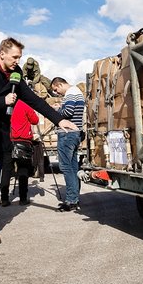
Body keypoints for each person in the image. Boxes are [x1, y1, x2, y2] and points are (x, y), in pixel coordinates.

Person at [0, 37, 78, 245]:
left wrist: (59, 119)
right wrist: (1, 101)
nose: (17, 61)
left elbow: (34, 100)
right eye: (14, 57)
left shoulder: (15, 76)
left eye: (19, 58)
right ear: (2, 53)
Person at [50, 77, 86, 212]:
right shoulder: (77, 91)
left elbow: (68, 112)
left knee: (66, 167)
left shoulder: (70, 93)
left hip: (67, 134)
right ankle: (74, 199)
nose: (57, 93)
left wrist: (56, 111)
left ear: (59, 84)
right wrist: (60, 107)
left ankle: (71, 200)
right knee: (73, 166)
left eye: (56, 89)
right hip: (75, 133)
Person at [10, 99, 39, 205]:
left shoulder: (6, 102)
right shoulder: (24, 104)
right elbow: (35, 120)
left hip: (9, 139)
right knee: (23, 170)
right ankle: (23, 198)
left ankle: (3, 198)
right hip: (23, 140)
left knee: (6, 169)